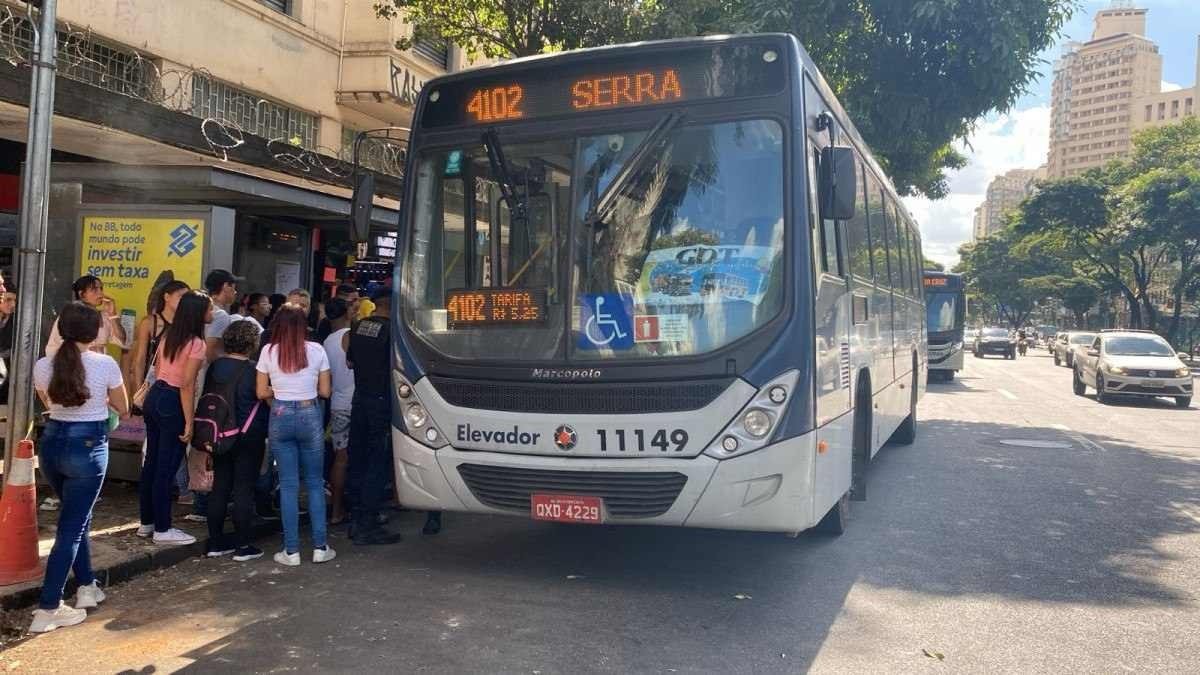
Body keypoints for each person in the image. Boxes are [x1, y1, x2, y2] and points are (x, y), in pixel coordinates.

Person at [29, 302, 129, 633]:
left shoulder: (44, 365)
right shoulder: (105, 364)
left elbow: (49, 402)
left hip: (52, 444)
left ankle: (87, 586)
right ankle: (48, 607)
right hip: (88, 447)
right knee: (70, 528)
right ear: (92, 331)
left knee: (76, 518)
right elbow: (123, 408)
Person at [256, 303, 336, 566]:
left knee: (288, 485)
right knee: (314, 482)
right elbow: (326, 392)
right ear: (304, 325)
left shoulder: (268, 351)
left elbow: (260, 392)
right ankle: (320, 547)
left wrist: (280, 389)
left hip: (279, 414)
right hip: (309, 414)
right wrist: (306, 384)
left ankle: (290, 551)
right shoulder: (317, 350)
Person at [138, 291, 210, 545]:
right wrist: (189, 422)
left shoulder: (169, 335)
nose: (211, 313)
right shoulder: (196, 343)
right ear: (198, 314)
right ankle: (162, 528)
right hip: (174, 401)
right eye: (208, 309)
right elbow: (187, 384)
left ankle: (147, 522)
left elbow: (158, 369)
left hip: (156, 395)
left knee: (153, 462)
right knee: (166, 467)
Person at [204, 321, 269, 561]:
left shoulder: (215, 366)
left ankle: (215, 542)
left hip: (219, 433)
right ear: (252, 343)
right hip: (248, 434)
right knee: (243, 487)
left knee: (220, 486)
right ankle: (243, 545)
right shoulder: (254, 370)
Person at [129, 280, 190, 410]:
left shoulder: (187, 325)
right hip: (153, 383)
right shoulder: (150, 322)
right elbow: (139, 360)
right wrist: (139, 390)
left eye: (187, 298)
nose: (184, 301)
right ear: (167, 297)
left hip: (177, 385)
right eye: (181, 296)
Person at [321, 298, 354, 524]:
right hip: (355, 402)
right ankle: (353, 507)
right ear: (346, 313)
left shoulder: (326, 342)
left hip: (337, 404)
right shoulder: (350, 335)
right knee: (356, 458)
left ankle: (335, 511)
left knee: (340, 458)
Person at [45, 276, 127, 357]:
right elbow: (54, 348)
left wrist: (113, 314)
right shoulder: (69, 317)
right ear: (81, 294)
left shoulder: (105, 316)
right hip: (75, 366)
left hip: (98, 367)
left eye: (101, 289)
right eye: (94, 290)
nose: (101, 293)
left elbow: (122, 340)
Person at [204, 269, 243, 362]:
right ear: (226, 286)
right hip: (208, 371)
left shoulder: (203, 307)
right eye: (234, 287)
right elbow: (209, 351)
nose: (235, 292)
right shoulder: (220, 315)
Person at [0, 283, 16, 403]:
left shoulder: (18, 323)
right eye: (8, 299)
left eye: (15, 300)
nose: (12, 304)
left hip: (8, 381)